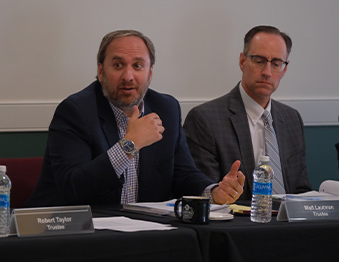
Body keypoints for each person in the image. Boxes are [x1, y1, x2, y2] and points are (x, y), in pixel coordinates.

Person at [26, 29, 245, 207]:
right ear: (101, 72)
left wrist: (214, 191)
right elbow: (73, 188)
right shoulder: (75, 111)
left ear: (150, 74)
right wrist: (130, 145)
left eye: (138, 66)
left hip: (143, 232)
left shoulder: (166, 108)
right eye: (118, 65)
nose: (128, 76)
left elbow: (183, 174)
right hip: (72, 233)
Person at [183, 25, 312, 200]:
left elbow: (301, 190)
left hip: (289, 225)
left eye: (276, 64)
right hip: (238, 224)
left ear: (284, 69)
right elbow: (207, 195)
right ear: (243, 62)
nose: (267, 72)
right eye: (259, 61)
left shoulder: (292, 119)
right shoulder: (205, 119)